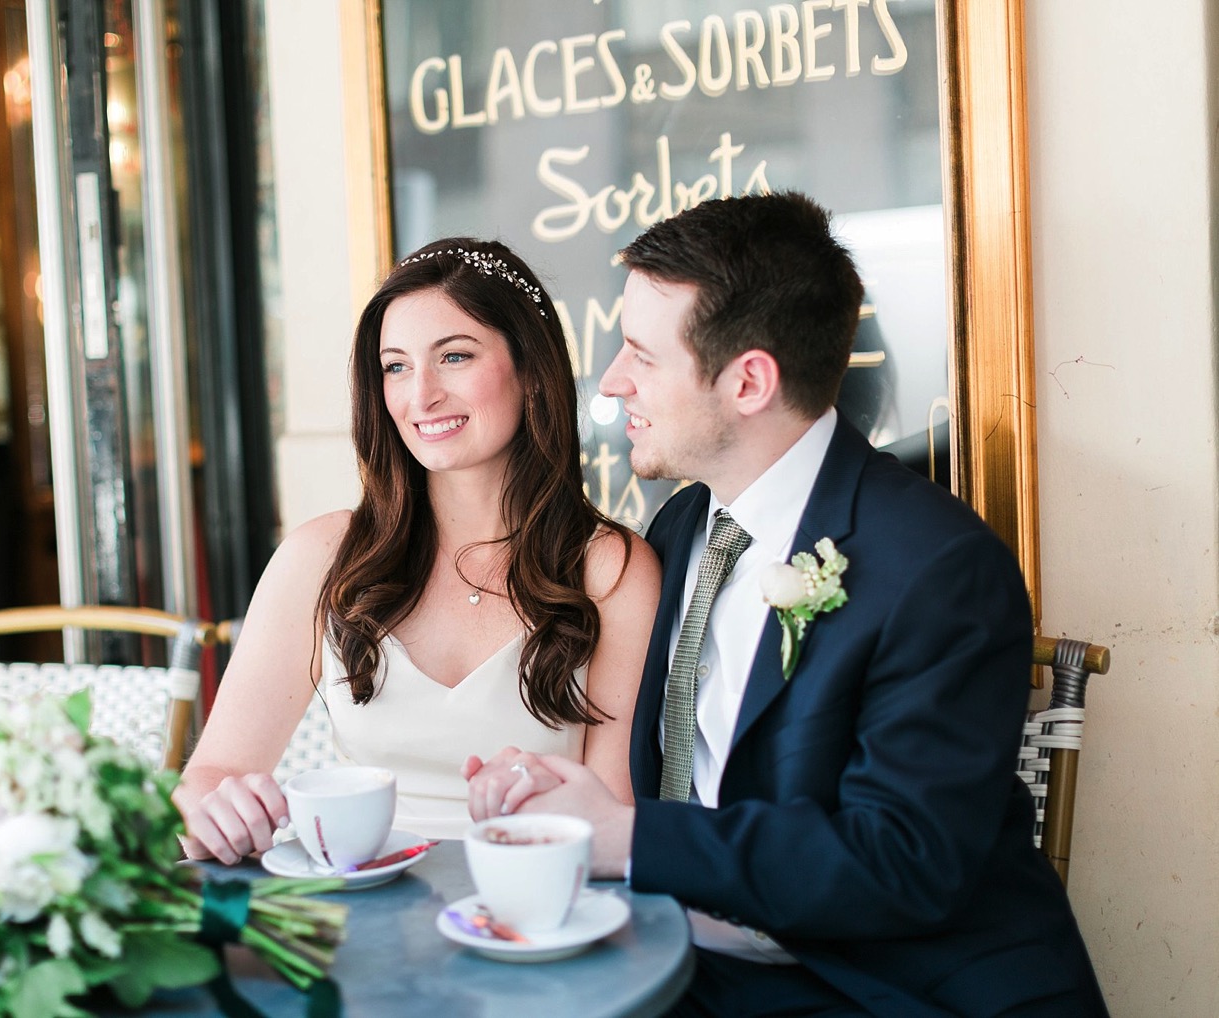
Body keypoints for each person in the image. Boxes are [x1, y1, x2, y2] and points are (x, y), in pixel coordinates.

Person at [464, 194, 1107, 1016]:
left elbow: (901, 864)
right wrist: (562, 794)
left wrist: (625, 837)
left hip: (885, 987)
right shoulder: (680, 526)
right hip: (686, 965)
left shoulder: (939, 568)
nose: (614, 380)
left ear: (749, 381)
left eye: (640, 355)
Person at [174, 238, 660, 861]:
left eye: (454, 357)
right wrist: (216, 810)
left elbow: (615, 826)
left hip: (532, 917)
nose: (420, 395)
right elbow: (209, 777)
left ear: (533, 369)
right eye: (396, 366)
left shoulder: (611, 570)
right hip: (357, 915)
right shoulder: (321, 557)